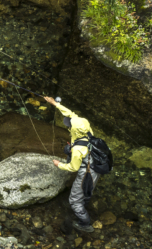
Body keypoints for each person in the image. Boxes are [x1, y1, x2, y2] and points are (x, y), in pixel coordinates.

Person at [44, 96, 99, 233]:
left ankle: (85, 224)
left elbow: (73, 167)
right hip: (94, 165)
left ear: (74, 129)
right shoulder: (86, 129)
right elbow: (71, 115)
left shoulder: (77, 150)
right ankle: (85, 201)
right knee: (87, 191)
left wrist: (58, 164)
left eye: (69, 126)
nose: (68, 126)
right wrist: (55, 104)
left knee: (74, 201)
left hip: (87, 171)